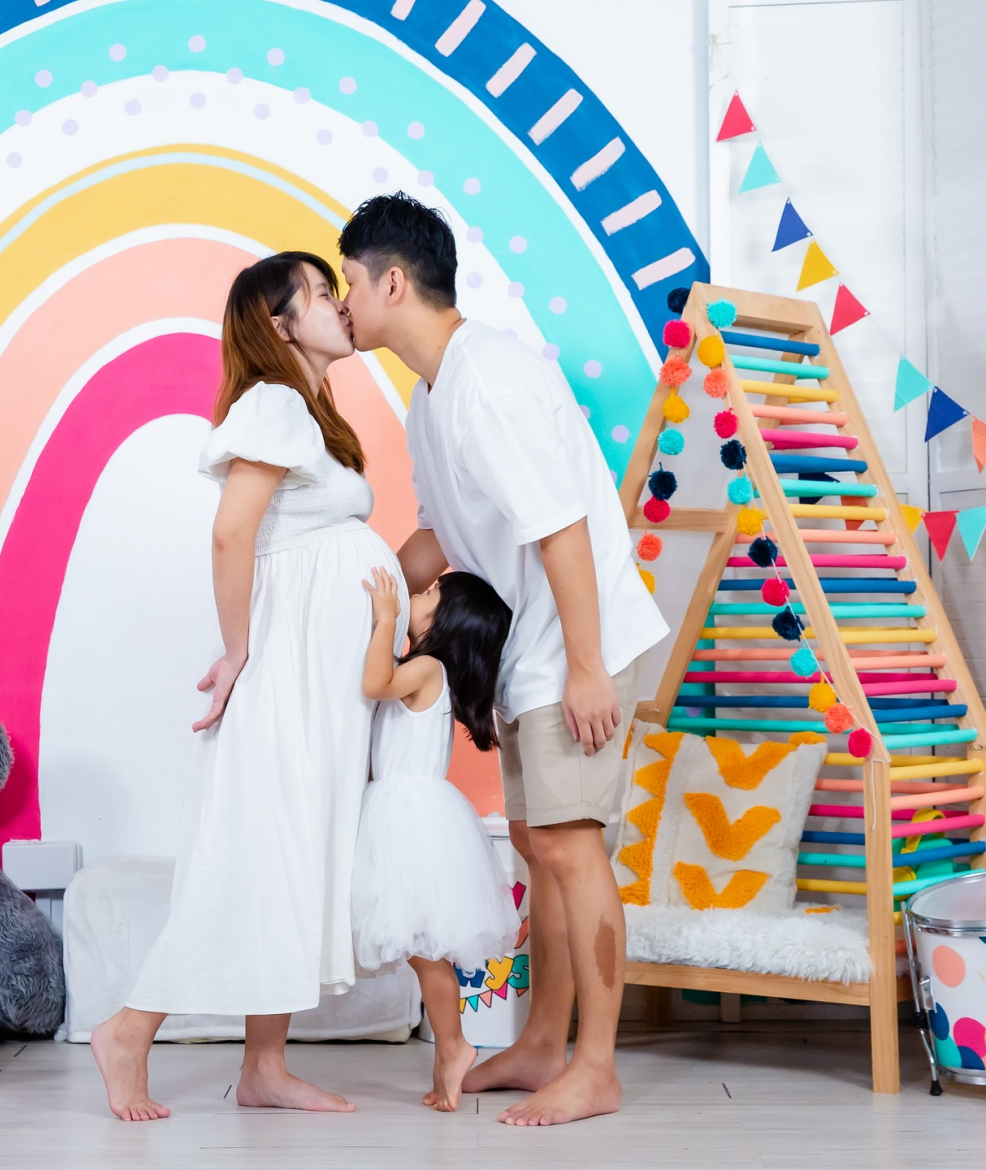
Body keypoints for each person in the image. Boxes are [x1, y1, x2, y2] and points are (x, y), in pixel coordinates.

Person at [339, 194, 670, 1126]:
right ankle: (540, 1042)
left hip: (577, 636)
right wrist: (356, 585)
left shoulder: (492, 379)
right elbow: (442, 536)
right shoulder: (431, 394)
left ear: (393, 281)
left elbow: (561, 526)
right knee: (537, 841)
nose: (344, 302)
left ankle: (595, 1066)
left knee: (571, 843)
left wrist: (590, 667)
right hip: (539, 637)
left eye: (350, 284)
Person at [91, 252, 408, 1120]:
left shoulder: (307, 412)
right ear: (277, 324)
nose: (339, 305)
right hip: (286, 674)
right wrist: (239, 653)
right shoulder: (272, 404)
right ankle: (127, 1028)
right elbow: (233, 538)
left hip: (321, 678)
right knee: (255, 857)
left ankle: (263, 1066)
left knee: (291, 861)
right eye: (317, 294)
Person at [352, 567, 520, 1113]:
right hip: (411, 811)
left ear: (447, 620)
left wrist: (384, 618)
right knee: (426, 951)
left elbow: (374, 684)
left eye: (428, 594)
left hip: (407, 816)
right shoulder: (433, 672)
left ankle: (454, 1045)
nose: (416, 594)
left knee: (426, 951)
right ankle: (450, 1050)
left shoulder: (426, 667)